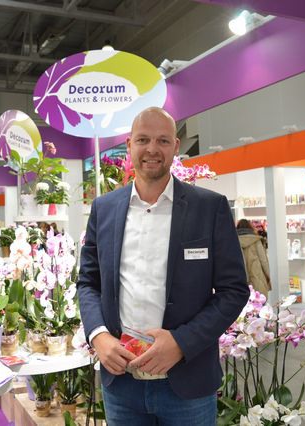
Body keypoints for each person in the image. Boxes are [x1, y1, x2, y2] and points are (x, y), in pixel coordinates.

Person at [77, 107, 249, 425]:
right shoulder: (104, 208)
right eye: (143, 139)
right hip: (122, 384)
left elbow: (233, 291)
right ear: (129, 145)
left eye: (163, 140)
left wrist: (182, 342)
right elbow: (88, 282)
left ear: (175, 146)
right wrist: (98, 335)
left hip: (187, 384)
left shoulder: (209, 207)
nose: (152, 149)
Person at [236, 219, 272, 296]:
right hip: (257, 276)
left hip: (240, 279)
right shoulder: (256, 240)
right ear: (250, 227)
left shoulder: (234, 242)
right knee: (259, 300)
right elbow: (263, 261)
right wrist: (268, 276)